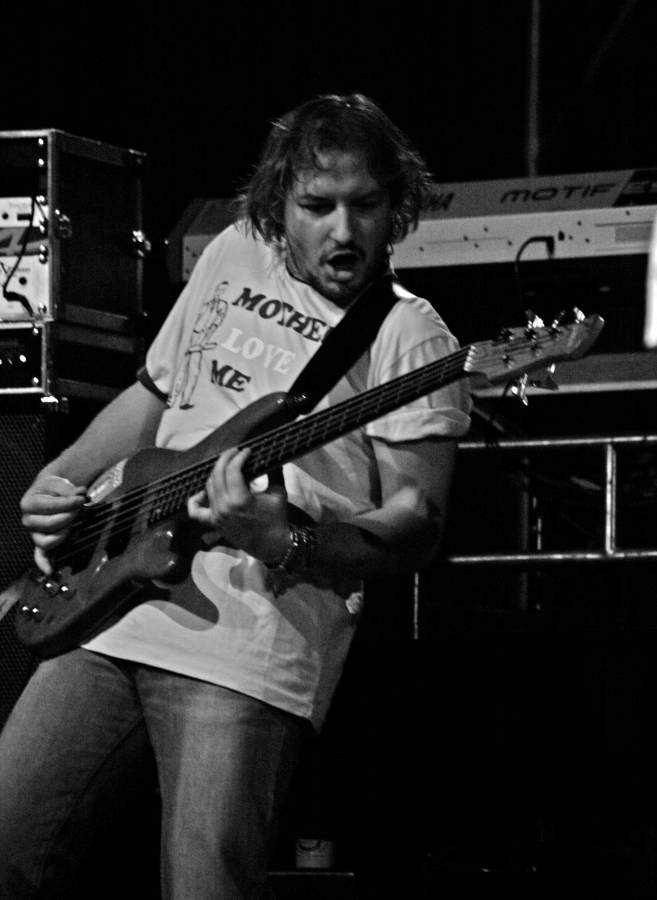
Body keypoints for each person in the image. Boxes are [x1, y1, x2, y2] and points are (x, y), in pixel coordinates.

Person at [0, 93, 471, 898]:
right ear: (276, 204)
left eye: (364, 206)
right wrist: (65, 478)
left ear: (395, 207)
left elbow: (415, 523)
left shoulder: (409, 336)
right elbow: (156, 394)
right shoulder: (233, 251)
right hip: (112, 604)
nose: (343, 231)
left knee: (205, 885)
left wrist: (281, 539)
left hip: (245, 649)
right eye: (317, 207)